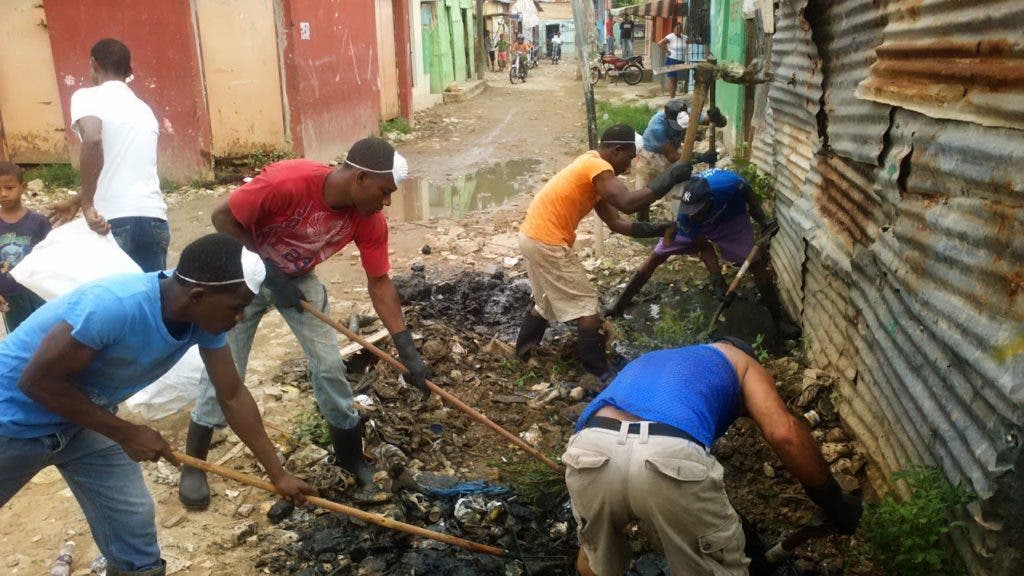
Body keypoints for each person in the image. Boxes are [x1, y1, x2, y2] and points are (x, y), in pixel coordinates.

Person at [0, 234, 314, 576]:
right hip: (12, 424)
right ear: (198, 295)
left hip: (82, 421)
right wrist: (125, 433)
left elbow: (232, 394)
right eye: (236, 308)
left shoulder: (203, 318)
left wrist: (278, 474)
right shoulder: (114, 306)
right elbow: (36, 382)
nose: (241, 318)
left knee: (133, 526)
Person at [178, 137, 431, 509]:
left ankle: (349, 456)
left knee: (329, 365)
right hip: (243, 279)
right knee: (226, 370)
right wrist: (268, 271)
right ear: (360, 177)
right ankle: (195, 464)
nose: (387, 201)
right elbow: (222, 218)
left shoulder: (368, 220)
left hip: (298, 281)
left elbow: (379, 283)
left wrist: (406, 348)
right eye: (385, 191)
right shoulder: (288, 182)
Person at [563, 337, 863, 575]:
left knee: (593, 561)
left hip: (590, 447)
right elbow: (784, 433)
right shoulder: (742, 363)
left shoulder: (658, 360)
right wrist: (834, 500)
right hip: (667, 452)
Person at [515, 125, 693, 379]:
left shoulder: (592, 171)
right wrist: (669, 178)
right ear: (616, 150)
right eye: (629, 158)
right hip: (547, 241)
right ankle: (597, 373)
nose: (629, 167)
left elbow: (618, 223)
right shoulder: (597, 166)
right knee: (588, 309)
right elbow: (627, 203)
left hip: (532, 236)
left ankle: (524, 353)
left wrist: (660, 228)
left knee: (545, 302)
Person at [608, 168, 800, 339]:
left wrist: (762, 220)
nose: (693, 214)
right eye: (690, 211)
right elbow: (703, 246)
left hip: (729, 218)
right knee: (656, 256)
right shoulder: (686, 216)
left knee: (755, 262)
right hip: (694, 229)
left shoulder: (728, 184)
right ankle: (618, 305)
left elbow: (746, 190)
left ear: (709, 200)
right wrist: (718, 283)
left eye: (697, 211)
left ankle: (779, 320)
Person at [47, 38, 169, 273]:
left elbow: (93, 139)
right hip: (154, 219)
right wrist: (76, 201)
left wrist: (87, 203)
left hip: (111, 221)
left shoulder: (88, 96)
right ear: (129, 71)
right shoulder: (144, 109)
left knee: (112, 303)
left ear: (94, 63)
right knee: (151, 302)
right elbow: (120, 167)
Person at [633, 99, 724, 221]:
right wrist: (701, 157)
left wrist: (717, 117)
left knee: (677, 190)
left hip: (674, 149)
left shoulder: (689, 114)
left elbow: (715, 121)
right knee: (643, 195)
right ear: (668, 118)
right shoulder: (657, 128)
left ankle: (675, 224)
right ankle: (642, 225)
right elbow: (673, 157)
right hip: (650, 157)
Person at [0, 162, 51, 332]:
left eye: (9, 187)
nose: (3, 194)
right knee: (19, 339)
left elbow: (50, 257)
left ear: (23, 187)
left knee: (45, 335)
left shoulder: (38, 222)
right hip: (9, 295)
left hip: (37, 291)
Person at [658, 21, 688, 98]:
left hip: (681, 61)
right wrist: (666, 51)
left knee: (678, 80)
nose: (679, 30)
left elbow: (691, 43)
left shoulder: (684, 37)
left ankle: (675, 97)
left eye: (680, 28)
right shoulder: (670, 36)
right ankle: (672, 98)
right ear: (674, 29)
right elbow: (660, 43)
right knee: (672, 80)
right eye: (677, 28)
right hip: (672, 60)